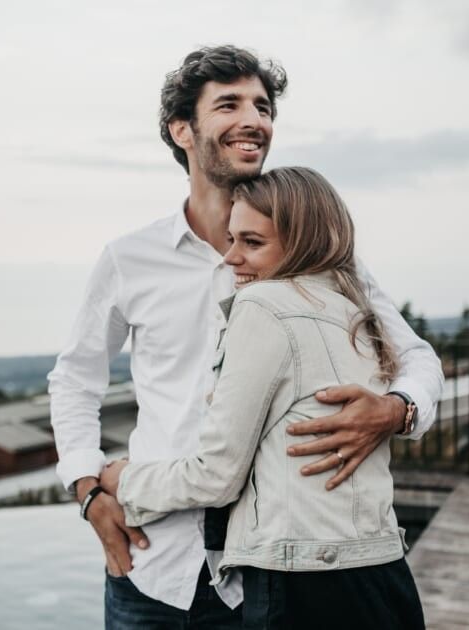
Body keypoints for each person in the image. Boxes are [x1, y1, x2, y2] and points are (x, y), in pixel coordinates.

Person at [47, 45, 443, 628]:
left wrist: (396, 410)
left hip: (266, 579)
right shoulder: (129, 259)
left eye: (262, 106)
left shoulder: (322, 259)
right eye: (229, 104)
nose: (254, 119)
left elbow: (415, 356)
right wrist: (88, 491)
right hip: (150, 563)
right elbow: (75, 380)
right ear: (182, 129)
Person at [99, 166, 426, 629]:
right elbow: (420, 359)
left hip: (302, 583)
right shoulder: (355, 310)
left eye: (252, 243)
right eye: (232, 239)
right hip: (383, 572)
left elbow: (217, 476)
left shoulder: (261, 305)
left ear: (303, 243)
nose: (231, 259)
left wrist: (123, 481)